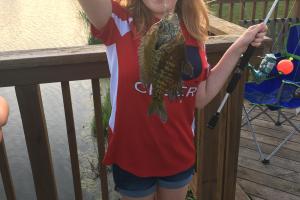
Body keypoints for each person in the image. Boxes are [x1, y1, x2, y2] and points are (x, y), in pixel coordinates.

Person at [78, 0, 267, 199]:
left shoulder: (193, 30)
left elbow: (200, 97)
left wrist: (240, 45)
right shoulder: (118, 20)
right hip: (131, 155)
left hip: (178, 153)